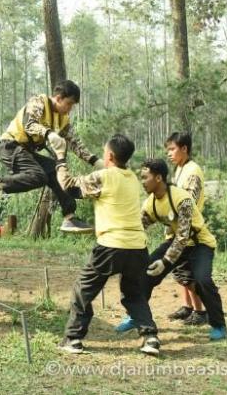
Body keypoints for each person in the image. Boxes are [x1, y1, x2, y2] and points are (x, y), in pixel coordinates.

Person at [54, 134, 161, 355]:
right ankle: (150, 337)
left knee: (82, 290)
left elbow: (68, 186)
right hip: (138, 247)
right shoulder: (132, 178)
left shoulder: (104, 177)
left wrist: (60, 157)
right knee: (134, 294)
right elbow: (109, 173)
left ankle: (73, 338)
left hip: (111, 245)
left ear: (110, 156)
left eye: (104, 152)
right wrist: (93, 159)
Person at [118, 158, 226, 341]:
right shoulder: (150, 203)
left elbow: (183, 236)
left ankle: (219, 325)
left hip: (199, 243)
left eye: (145, 177)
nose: (142, 182)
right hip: (175, 242)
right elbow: (138, 228)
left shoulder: (181, 198)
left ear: (158, 178)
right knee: (144, 274)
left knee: (203, 280)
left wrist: (165, 261)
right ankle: (135, 316)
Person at [0, 80, 102, 233]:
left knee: (54, 171)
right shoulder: (39, 102)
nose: (70, 109)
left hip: (26, 152)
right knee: (38, 176)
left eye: (73, 106)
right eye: (69, 104)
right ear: (58, 98)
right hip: (10, 146)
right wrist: (48, 133)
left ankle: (69, 217)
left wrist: (95, 161)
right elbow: (29, 124)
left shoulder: (62, 119)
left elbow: (75, 143)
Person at [165, 132, 207, 325]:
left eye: (172, 149)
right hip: (176, 229)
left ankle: (200, 311)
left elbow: (189, 203)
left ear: (184, 149)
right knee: (180, 271)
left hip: (187, 231)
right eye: (168, 150)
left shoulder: (193, 171)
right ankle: (187, 306)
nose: (169, 153)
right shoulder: (180, 168)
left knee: (187, 272)